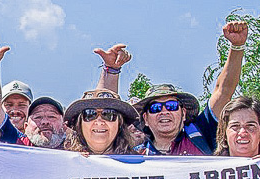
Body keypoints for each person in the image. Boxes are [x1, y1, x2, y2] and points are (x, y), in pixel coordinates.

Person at [95, 21, 249, 155]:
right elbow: (103, 117)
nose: (164, 111)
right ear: (145, 118)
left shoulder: (202, 133)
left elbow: (223, 91)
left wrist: (237, 46)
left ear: (183, 113)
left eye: (171, 105)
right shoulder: (136, 155)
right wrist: (111, 70)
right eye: (155, 108)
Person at [64, 89, 143, 156]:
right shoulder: (62, 163)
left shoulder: (140, 167)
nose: (99, 122)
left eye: (109, 114)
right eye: (90, 114)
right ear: (79, 124)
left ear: (120, 123)